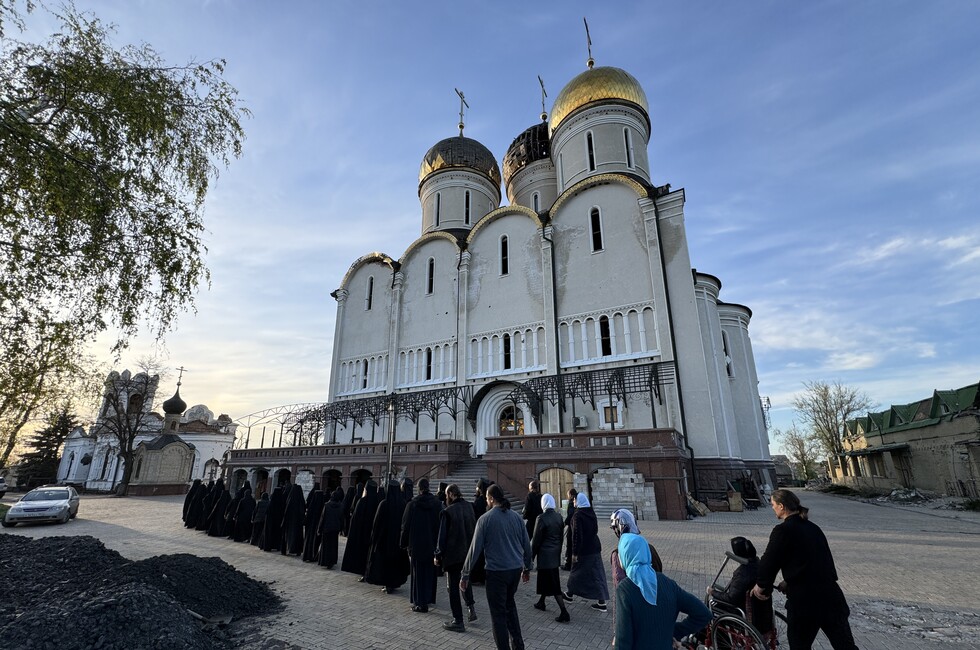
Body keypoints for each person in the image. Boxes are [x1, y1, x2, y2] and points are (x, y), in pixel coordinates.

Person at [751, 489, 859, 650]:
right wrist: (789, 580)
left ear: (781, 506)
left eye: (773, 505)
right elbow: (817, 560)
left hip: (805, 601)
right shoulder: (813, 528)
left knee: (799, 645)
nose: (772, 508)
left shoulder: (783, 530)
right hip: (831, 596)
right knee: (845, 646)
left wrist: (762, 585)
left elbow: (770, 561)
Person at [461, 484, 532, 650]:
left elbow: (474, 549)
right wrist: (527, 567)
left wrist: (465, 574)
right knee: (510, 606)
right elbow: (527, 545)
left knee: (498, 614)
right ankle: (518, 644)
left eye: (487, 497)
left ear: (492, 498)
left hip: (496, 572)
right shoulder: (516, 517)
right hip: (514, 570)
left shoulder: (485, 519)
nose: (486, 500)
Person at [614, 533, 711, 650]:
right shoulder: (667, 583)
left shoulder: (625, 589)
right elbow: (704, 614)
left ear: (624, 557)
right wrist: (672, 632)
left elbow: (623, 640)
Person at [708, 536, 772, 635]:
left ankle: (720, 642)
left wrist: (713, 592)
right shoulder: (759, 564)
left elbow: (731, 598)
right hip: (763, 616)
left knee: (710, 605)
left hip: (744, 615)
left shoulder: (743, 573)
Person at [435, 483, 477, 632]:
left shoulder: (448, 512)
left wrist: (438, 555)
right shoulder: (469, 507)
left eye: (447, 495)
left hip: (453, 556)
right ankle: (471, 607)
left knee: (453, 589)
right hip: (468, 554)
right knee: (466, 581)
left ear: (451, 494)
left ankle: (458, 620)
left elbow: (442, 536)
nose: (446, 498)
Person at [400, 477, 442, 612]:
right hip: (432, 544)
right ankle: (428, 598)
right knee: (430, 573)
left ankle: (420, 602)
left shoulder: (412, 504)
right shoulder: (437, 504)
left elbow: (405, 526)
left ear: (418, 488)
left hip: (416, 544)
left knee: (418, 574)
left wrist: (403, 542)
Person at [564, 492, 609, 611]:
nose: (573, 502)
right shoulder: (591, 513)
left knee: (576, 572)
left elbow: (576, 536)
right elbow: (595, 529)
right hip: (594, 547)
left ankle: (569, 594)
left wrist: (574, 553)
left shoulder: (577, 516)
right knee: (597, 574)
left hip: (584, 550)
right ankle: (601, 602)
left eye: (575, 500)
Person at [530, 493, 570, 623]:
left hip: (545, 555)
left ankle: (564, 611)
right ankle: (541, 602)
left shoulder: (541, 518)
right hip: (554, 554)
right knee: (547, 580)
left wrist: (531, 557)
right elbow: (560, 537)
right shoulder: (559, 517)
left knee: (554, 585)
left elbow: (536, 540)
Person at [365, 480, 410, 593]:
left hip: (384, 540)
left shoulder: (384, 504)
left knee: (385, 563)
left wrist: (374, 539)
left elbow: (376, 524)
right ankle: (395, 582)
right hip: (398, 541)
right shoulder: (403, 503)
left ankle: (387, 583)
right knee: (397, 563)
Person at [342, 480, 380, 577]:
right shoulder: (378, 502)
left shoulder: (362, 502)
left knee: (362, 553)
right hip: (372, 533)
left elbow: (355, 520)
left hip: (362, 533)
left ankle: (362, 571)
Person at [318, 487, 345, 568]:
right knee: (333, 546)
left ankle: (325, 561)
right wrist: (342, 528)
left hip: (326, 528)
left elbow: (322, 518)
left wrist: (319, 529)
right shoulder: (340, 506)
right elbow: (341, 518)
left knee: (326, 546)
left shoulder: (327, 505)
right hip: (335, 528)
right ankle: (332, 561)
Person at [281, 483, 306, 556]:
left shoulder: (290, 499)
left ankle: (288, 549)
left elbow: (286, 510)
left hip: (289, 521)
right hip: (298, 522)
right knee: (297, 536)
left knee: (288, 536)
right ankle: (297, 550)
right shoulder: (301, 499)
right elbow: (303, 509)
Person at [259, 484, 287, 552]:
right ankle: (277, 546)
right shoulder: (282, 503)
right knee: (277, 533)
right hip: (278, 522)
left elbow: (267, 512)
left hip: (270, 522)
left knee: (269, 533)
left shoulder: (271, 503)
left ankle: (267, 546)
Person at [302, 483, 325, 562]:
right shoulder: (323, 507)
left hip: (310, 528)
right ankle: (313, 555)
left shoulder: (311, 507)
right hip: (317, 528)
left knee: (308, 541)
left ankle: (307, 556)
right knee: (315, 542)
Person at [561, 488, 577, 570]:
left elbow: (570, 515)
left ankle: (568, 564)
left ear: (571, 495)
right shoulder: (577, 502)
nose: (568, 497)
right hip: (575, 526)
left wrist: (565, 523)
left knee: (569, 544)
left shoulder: (571, 503)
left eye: (568, 495)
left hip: (571, 527)